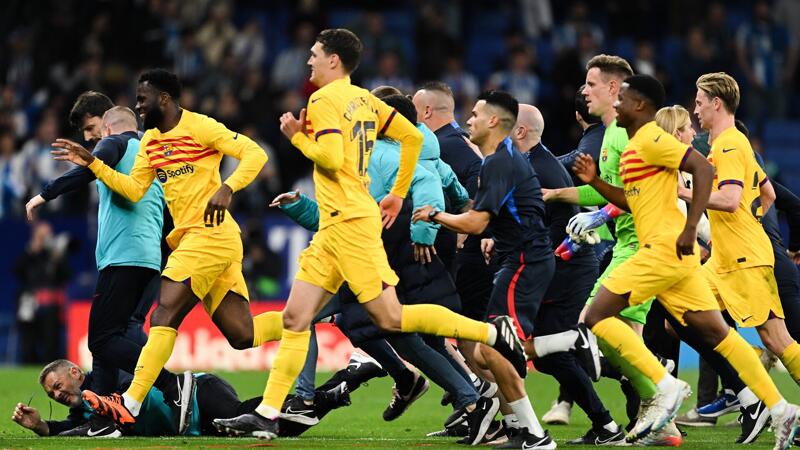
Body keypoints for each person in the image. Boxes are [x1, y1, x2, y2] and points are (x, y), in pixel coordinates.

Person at [213, 29, 525, 440]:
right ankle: (269, 413)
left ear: (333, 61)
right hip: (336, 224)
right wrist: (397, 195)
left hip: (350, 224)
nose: (308, 61)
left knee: (390, 318)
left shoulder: (322, 101)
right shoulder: (364, 99)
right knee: (296, 317)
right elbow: (414, 136)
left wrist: (297, 137)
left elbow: (329, 157)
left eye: (314, 54)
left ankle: (490, 332)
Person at [572, 73, 800, 449]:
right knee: (716, 334)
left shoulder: (662, 140)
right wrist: (596, 182)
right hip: (697, 258)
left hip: (675, 251)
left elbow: (709, 177)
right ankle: (777, 408)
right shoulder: (634, 147)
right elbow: (635, 201)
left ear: (639, 105)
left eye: (622, 99)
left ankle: (666, 385)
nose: (616, 104)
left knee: (593, 317)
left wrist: (691, 225)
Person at [50, 69, 283, 430]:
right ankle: (309, 317)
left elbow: (254, 153)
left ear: (163, 98)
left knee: (162, 317)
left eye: (142, 99)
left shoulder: (200, 126)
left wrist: (228, 187)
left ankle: (131, 401)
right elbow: (131, 189)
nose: (138, 106)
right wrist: (94, 164)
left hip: (209, 234)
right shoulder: (152, 144)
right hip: (201, 240)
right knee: (242, 335)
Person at [413, 91, 556, 450]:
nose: (469, 120)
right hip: (519, 259)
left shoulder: (499, 162)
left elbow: (475, 223)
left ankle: (536, 433)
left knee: (495, 350)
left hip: (525, 261)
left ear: (493, 121)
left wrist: (436, 215)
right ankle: (519, 429)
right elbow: (498, 218)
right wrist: (494, 234)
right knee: (484, 351)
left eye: (475, 114)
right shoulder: (502, 158)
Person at [26, 102, 188, 406]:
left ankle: (170, 387)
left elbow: (88, 170)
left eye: (91, 128)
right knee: (121, 333)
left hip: (125, 255)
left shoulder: (114, 142)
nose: (90, 138)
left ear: (107, 121)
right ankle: (109, 405)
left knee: (102, 339)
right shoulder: (150, 149)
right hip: (150, 257)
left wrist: (43, 194)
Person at [511, 103, 625, 445]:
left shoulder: (542, 170)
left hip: (568, 267)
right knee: (546, 357)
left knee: (543, 349)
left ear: (520, 131)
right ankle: (606, 424)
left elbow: (562, 227)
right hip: (559, 267)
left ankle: (604, 356)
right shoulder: (532, 164)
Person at [11, 359, 350, 438]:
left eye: (57, 385)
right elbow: (76, 432)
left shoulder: (107, 374)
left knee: (246, 413)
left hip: (197, 394)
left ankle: (331, 390)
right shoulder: (84, 407)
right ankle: (338, 390)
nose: (56, 394)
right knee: (269, 428)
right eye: (51, 393)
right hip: (191, 424)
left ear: (74, 371)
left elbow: (136, 395)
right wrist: (42, 425)